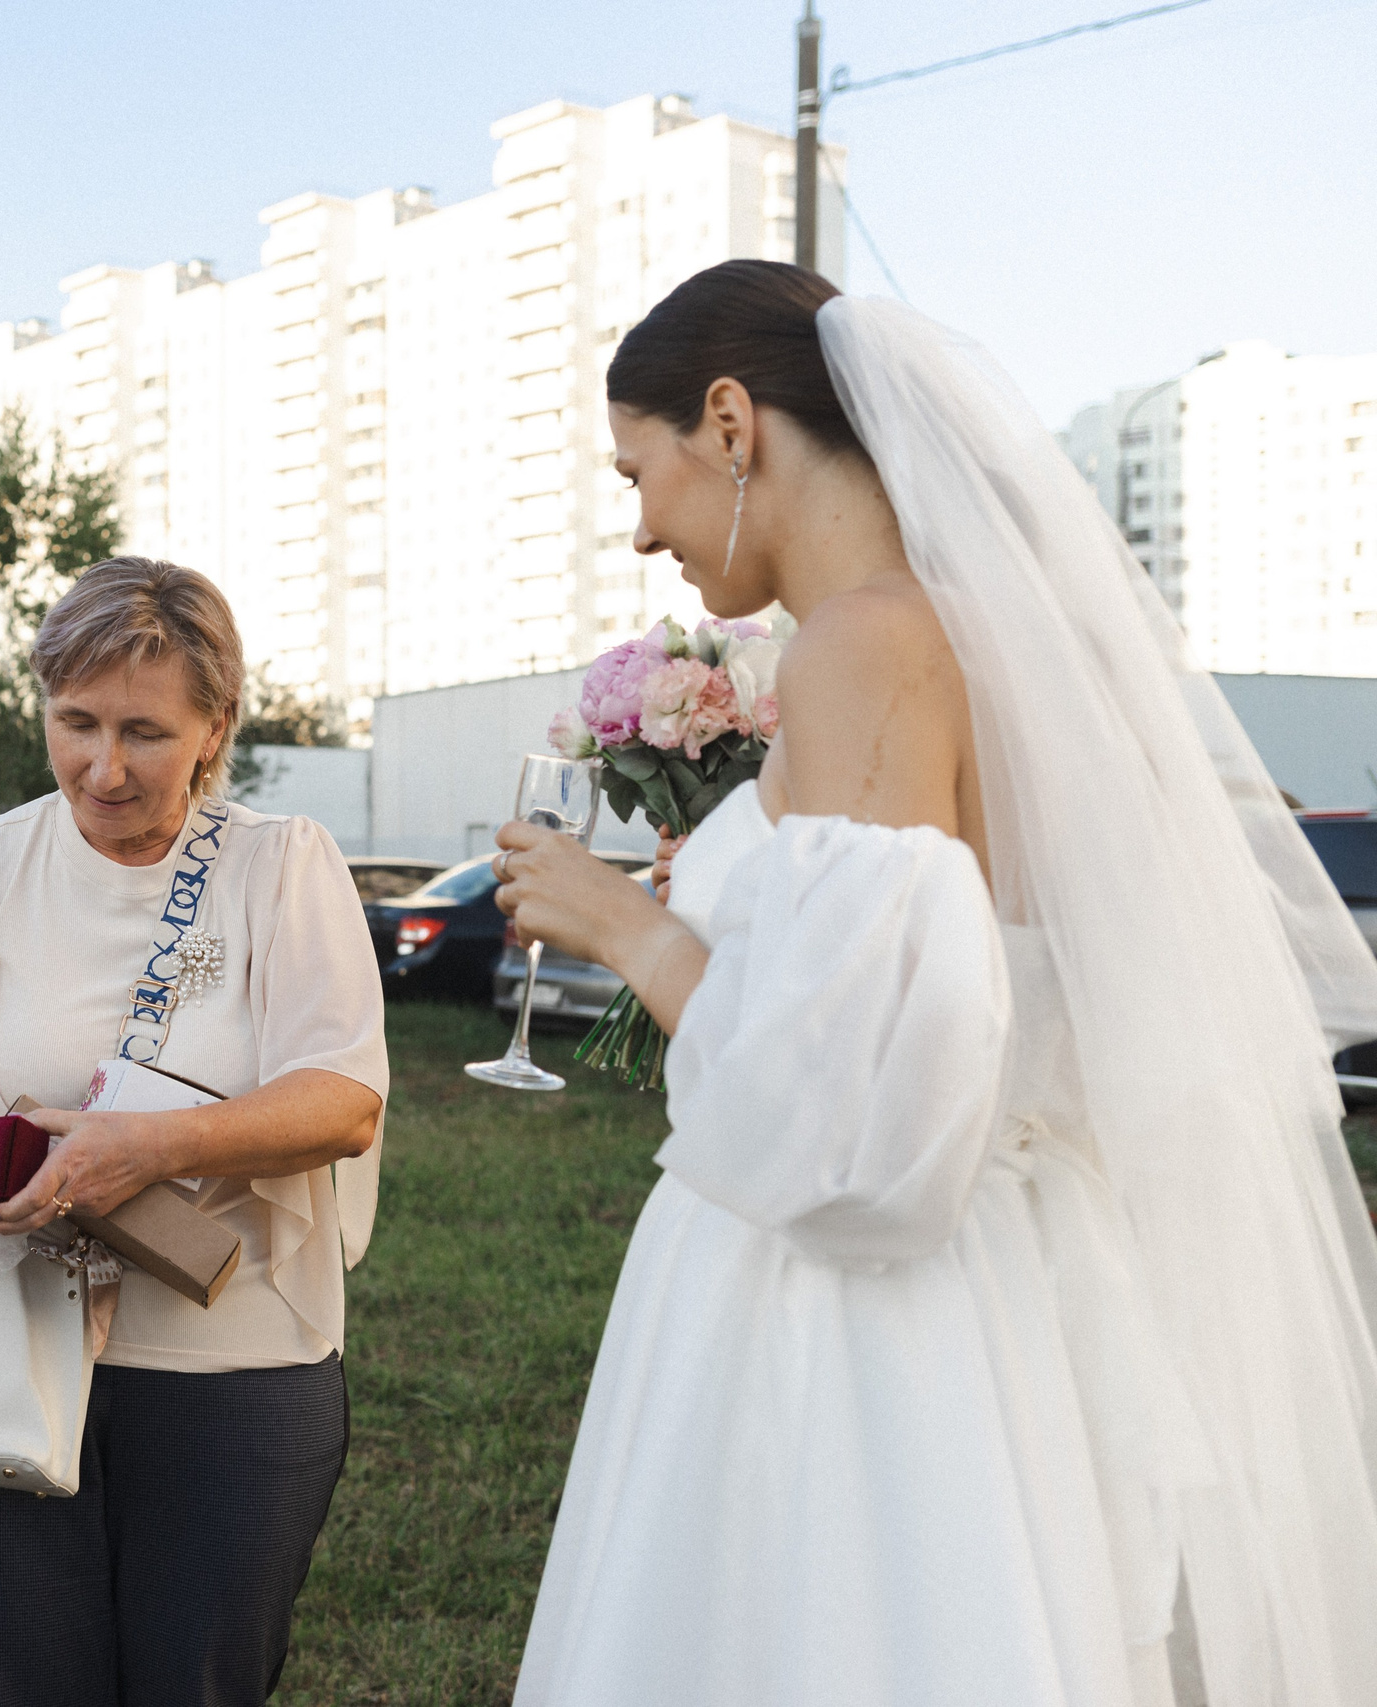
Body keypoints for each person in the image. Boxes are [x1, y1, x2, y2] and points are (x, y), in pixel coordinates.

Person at [492, 258, 1377, 1706]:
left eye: (636, 470)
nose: (640, 524)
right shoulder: (992, 640)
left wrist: (624, 929)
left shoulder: (867, 642)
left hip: (853, 1320)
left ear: (730, 421)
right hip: (1004, 1277)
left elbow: (858, 1127)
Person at [0, 557, 389, 1707]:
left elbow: (341, 1099)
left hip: (232, 1365)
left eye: (143, 729)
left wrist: (151, 1147)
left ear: (214, 725)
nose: (103, 764)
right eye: (73, 721)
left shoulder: (279, 867)